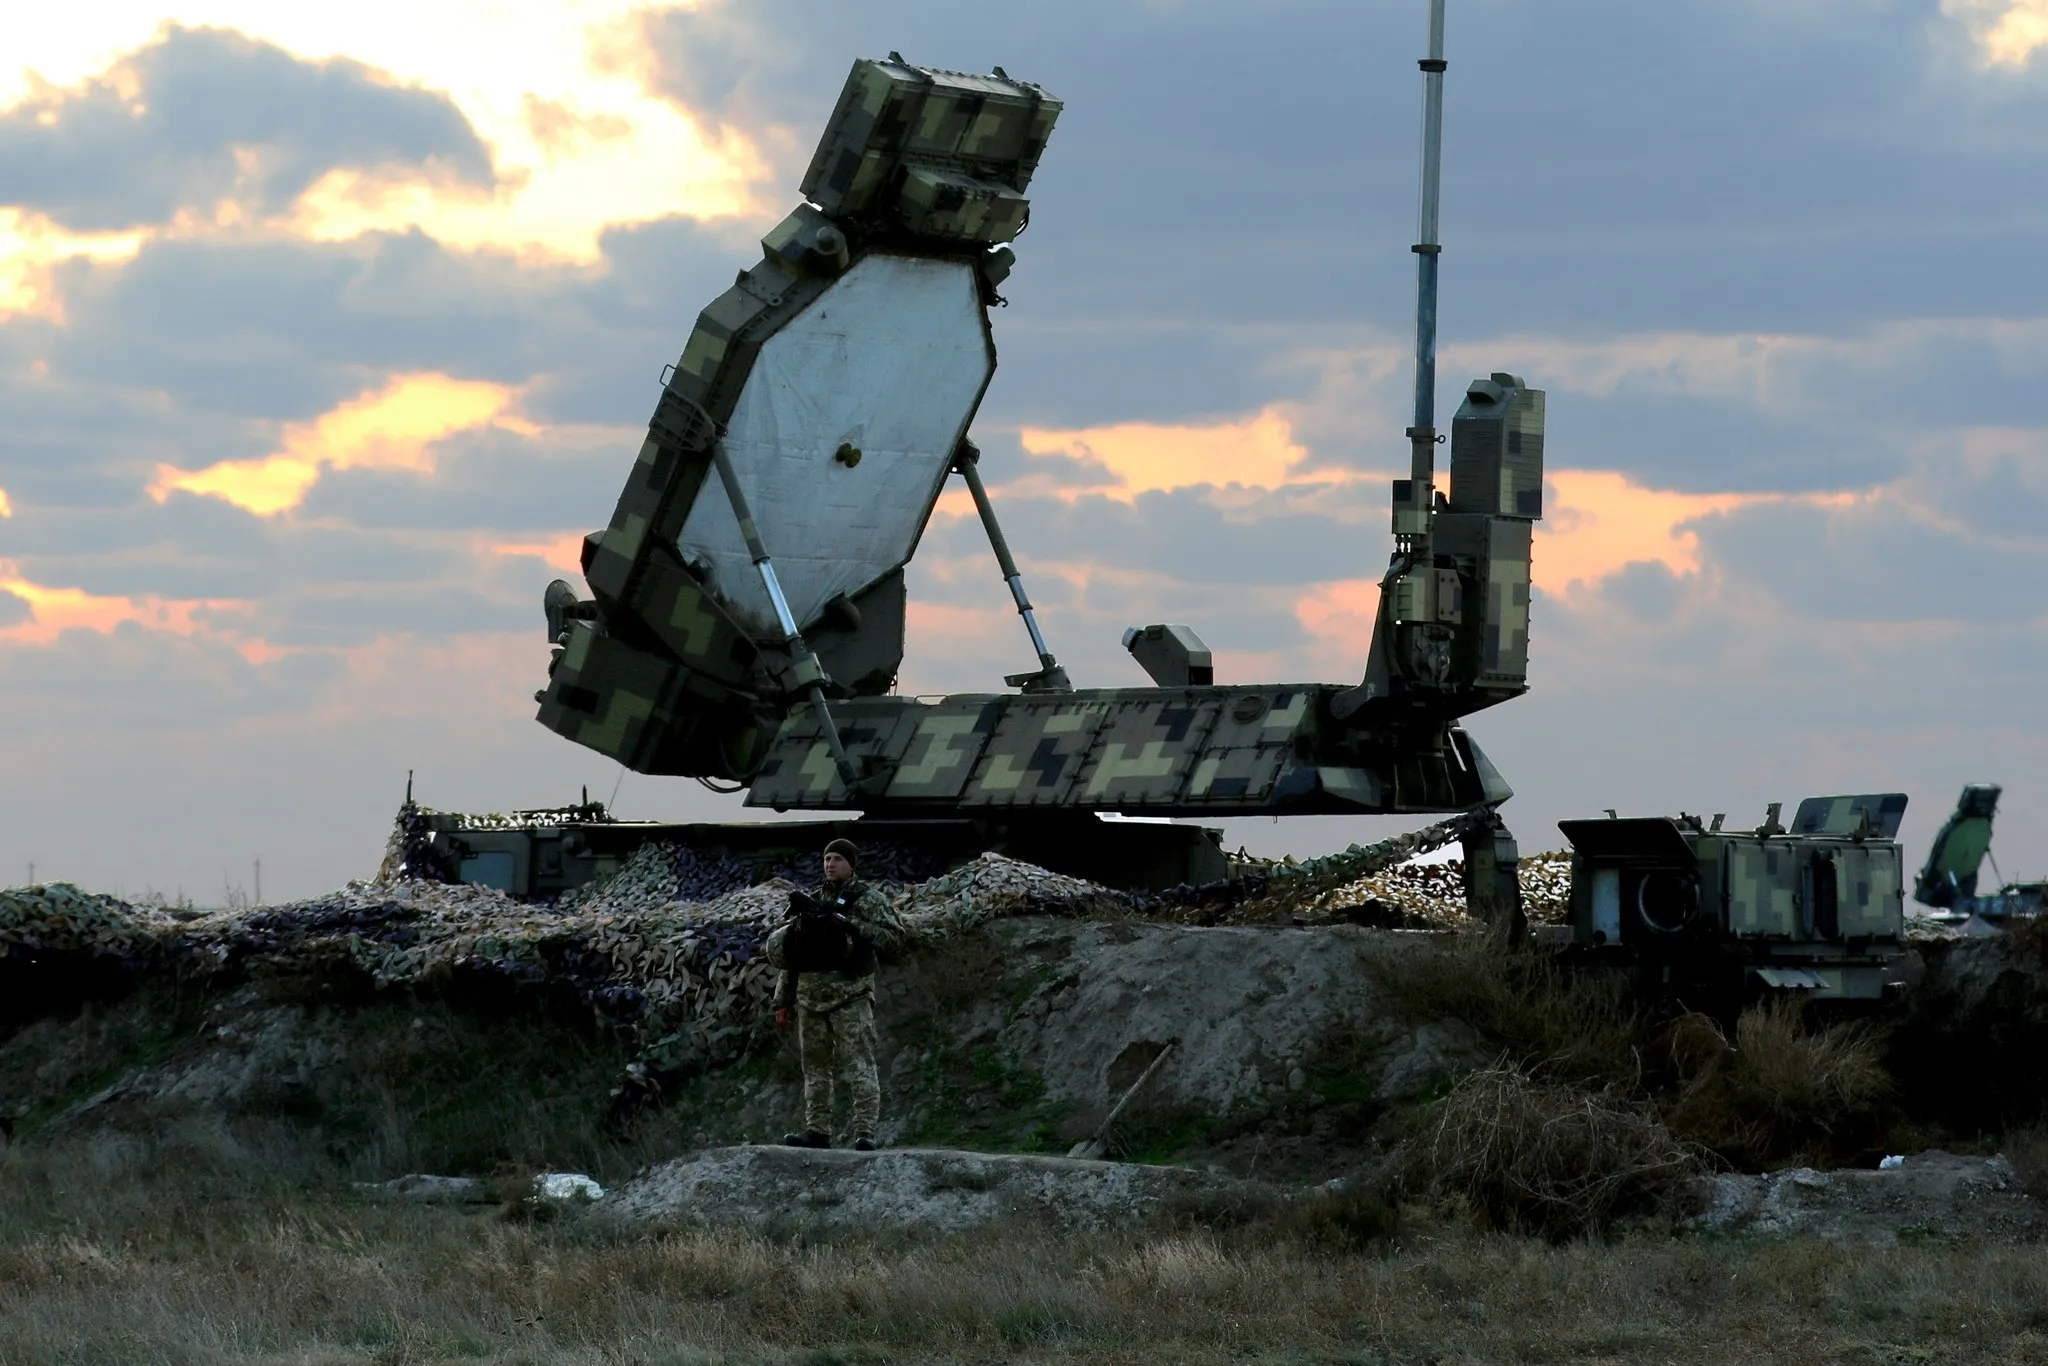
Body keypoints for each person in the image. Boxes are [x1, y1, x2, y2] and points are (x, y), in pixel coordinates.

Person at [764, 838, 908, 1150]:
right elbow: (794, 954)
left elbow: (894, 941)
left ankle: (865, 1131)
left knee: (859, 1065)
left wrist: (849, 924)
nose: (830, 864)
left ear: (852, 864)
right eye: (827, 859)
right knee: (815, 1069)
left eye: (838, 859)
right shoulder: (812, 901)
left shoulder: (868, 900)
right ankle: (817, 1130)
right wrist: (783, 1001)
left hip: (851, 995)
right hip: (810, 998)